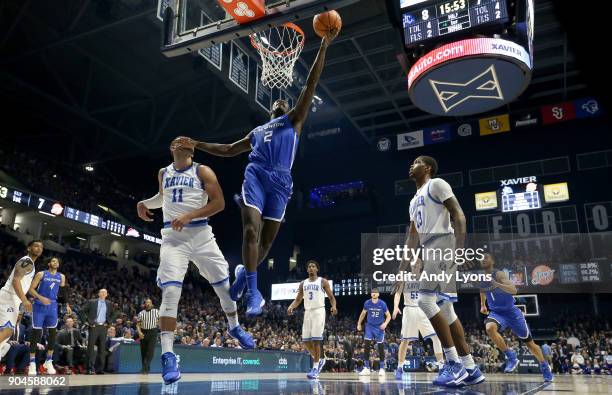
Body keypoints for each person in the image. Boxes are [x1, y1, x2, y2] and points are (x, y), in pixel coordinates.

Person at [175, 26, 340, 317]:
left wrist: (324, 46)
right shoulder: (257, 131)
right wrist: (197, 143)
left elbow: (310, 85)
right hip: (256, 173)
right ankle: (253, 293)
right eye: (277, 101)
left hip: (281, 182)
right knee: (251, 230)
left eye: (284, 101)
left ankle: (241, 278)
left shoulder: (293, 120)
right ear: (269, 108)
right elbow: (227, 150)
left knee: (264, 245)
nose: (280, 101)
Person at [136, 137, 254, 385]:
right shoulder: (163, 172)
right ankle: (168, 355)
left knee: (223, 289)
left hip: (201, 235)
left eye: (189, 141)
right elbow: (163, 197)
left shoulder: (203, 170)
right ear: (172, 148)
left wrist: (190, 215)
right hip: (173, 238)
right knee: (170, 294)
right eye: (180, 141)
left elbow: (219, 203)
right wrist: (144, 203)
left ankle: (234, 326)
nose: (187, 142)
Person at [405, 156, 484, 387]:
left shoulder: (436, 184)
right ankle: (470, 368)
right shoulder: (413, 200)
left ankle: (453, 364)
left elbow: (458, 214)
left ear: (427, 168)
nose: (412, 164)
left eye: (417, 161)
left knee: (424, 301)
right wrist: (403, 266)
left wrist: (459, 250)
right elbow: (412, 236)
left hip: (443, 244)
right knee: (447, 311)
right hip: (429, 249)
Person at [480, 253, 553, 382]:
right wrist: (482, 305)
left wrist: (497, 284)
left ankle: (544, 366)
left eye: (486, 257)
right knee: (489, 328)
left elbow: (513, 290)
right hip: (496, 312)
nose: (483, 259)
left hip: (511, 312)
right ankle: (511, 356)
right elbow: (482, 290)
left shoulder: (499, 274)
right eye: (482, 258)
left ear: (493, 261)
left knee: (530, 344)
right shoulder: (481, 278)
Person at [392, 260, 444, 380]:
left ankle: (441, 366)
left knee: (436, 337)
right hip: (409, 309)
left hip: (423, 310)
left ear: (421, 265)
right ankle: (400, 367)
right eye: (413, 263)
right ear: (410, 265)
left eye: (417, 263)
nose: (415, 265)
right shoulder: (404, 277)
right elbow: (398, 294)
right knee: (405, 340)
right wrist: (395, 307)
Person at [287, 260, 337, 379]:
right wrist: (291, 306)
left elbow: (331, 296)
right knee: (305, 340)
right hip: (308, 312)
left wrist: (334, 306)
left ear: (317, 269)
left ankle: (315, 368)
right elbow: (298, 299)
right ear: (307, 270)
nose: (310, 268)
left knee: (316, 340)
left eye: (313, 266)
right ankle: (319, 360)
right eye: (309, 266)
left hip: (319, 311)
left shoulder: (323, 281)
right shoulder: (303, 283)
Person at [27, 256, 71, 375]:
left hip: (52, 306)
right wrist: (40, 298)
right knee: (36, 333)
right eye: (53, 261)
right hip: (39, 306)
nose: (55, 262)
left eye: (57, 261)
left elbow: (63, 292)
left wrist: (67, 304)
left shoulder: (61, 277)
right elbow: (31, 289)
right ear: (49, 263)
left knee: (52, 333)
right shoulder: (41, 274)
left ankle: (48, 361)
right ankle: (32, 363)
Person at [0, 240, 42, 361]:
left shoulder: (31, 265)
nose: (39, 248)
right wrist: (24, 301)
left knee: (5, 333)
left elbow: (24, 285)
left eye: (41, 247)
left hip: (12, 299)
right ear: (29, 248)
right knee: (7, 331)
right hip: (9, 297)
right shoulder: (26, 261)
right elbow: (16, 280)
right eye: (36, 246)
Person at [79, 288, 117, 374]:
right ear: (98, 294)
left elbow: (114, 313)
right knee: (90, 348)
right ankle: (88, 368)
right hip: (93, 326)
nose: (103, 294)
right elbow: (81, 310)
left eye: (105, 292)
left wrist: (109, 322)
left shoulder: (109, 303)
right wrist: (86, 322)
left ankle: (100, 369)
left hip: (103, 328)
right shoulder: (92, 302)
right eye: (102, 292)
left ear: (107, 295)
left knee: (102, 349)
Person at [356, 288, 391, 376]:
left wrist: (385, 324)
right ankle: (366, 367)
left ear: (378, 294)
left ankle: (382, 368)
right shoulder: (367, 303)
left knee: (380, 347)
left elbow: (388, 316)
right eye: (372, 293)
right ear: (371, 294)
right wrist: (359, 323)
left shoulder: (382, 303)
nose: (374, 294)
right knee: (367, 346)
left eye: (375, 293)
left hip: (379, 327)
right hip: (369, 326)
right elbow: (363, 313)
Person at [136, 298, 159, 374]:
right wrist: (139, 332)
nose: (148, 304)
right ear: (144, 304)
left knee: (150, 351)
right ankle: (146, 369)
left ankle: (144, 368)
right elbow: (138, 324)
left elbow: (161, 320)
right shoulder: (141, 313)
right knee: (144, 351)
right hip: (143, 332)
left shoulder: (156, 311)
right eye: (147, 302)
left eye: (150, 302)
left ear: (152, 304)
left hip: (153, 332)